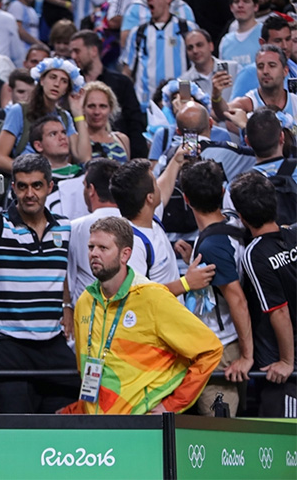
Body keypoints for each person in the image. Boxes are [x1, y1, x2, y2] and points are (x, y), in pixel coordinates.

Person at [0, 154, 79, 413]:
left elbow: (61, 270)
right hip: (7, 343)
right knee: (15, 427)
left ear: (50, 187)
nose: (29, 193)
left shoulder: (65, 228)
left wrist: (67, 304)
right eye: (22, 186)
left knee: (65, 424)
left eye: (36, 185)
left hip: (53, 342)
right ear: (13, 188)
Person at [59, 216, 223, 414]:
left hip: (141, 428)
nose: (94, 254)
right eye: (91, 247)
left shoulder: (152, 298)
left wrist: (171, 406)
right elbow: (90, 370)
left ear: (125, 254)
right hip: (96, 426)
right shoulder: (86, 301)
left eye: (103, 248)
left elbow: (210, 349)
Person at [179, 160, 254, 417]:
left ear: (186, 199)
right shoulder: (231, 223)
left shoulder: (213, 246)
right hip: (219, 344)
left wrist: (246, 356)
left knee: (220, 434)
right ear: (222, 192)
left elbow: (238, 301)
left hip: (221, 349)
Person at [230, 171, 296, 418]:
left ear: (241, 217)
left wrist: (287, 361)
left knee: (288, 448)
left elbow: (279, 311)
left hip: (284, 374)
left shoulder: (254, 255)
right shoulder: (294, 233)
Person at [109, 156, 217, 297]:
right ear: (150, 198)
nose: (158, 185)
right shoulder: (133, 245)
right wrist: (186, 283)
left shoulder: (150, 218)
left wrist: (177, 161)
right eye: (155, 182)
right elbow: (135, 296)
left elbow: (165, 187)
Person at [0, 57, 85, 175]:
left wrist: (78, 112)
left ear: (66, 89)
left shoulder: (65, 117)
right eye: (52, 77)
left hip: (59, 181)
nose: (57, 84)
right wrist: (32, 174)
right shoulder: (19, 111)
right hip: (26, 183)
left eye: (64, 81)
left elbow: (83, 157)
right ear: (41, 80)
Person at [69, 29, 147, 159]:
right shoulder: (71, 86)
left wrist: (139, 162)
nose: (73, 56)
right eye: (91, 106)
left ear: (93, 51)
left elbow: (135, 124)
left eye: (77, 51)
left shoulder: (122, 83)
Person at [122, 0, 195, 111]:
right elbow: (128, 71)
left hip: (180, 105)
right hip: (145, 107)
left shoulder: (188, 29)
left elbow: (197, 66)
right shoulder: (137, 33)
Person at [66, 158, 121, 302]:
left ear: (91, 190)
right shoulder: (136, 223)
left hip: (86, 316)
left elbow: (68, 281)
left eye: (84, 186)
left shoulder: (74, 228)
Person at [70, 81, 131, 163]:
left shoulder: (122, 139)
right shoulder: (75, 139)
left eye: (103, 106)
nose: (97, 112)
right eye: (91, 106)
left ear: (110, 109)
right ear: (83, 109)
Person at [219, 0, 262, 67]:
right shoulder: (225, 41)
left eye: (246, 1)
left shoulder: (265, 33)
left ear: (256, 6)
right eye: (236, 1)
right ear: (231, 7)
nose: (240, 5)